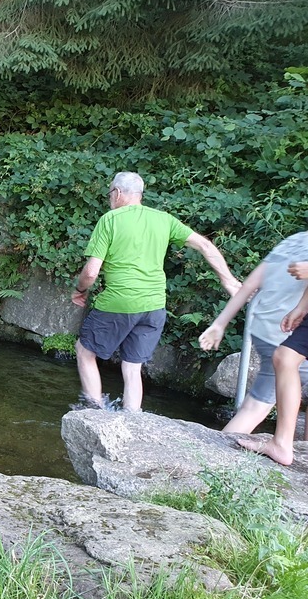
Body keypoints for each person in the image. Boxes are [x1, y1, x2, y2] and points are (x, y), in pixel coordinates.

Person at [71, 171, 240, 411]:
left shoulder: (110, 219)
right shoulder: (164, 219)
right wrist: (229, 281)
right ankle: (132, 420)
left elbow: (90, 273)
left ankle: (94, 410)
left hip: (119, 303)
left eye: (110, 193)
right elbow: (204, 245)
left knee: (84, 351)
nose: (110, 198)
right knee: (132, 367)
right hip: (154, 307)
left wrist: (80, 290)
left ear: (117, 193)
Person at [198, 231, 308, 433]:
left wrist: (220, 324)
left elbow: (250, 284)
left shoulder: (294, 240)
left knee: (256, 402)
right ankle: (217, 459)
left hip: (265, 328)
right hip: (288, 333)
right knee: (256, 405)